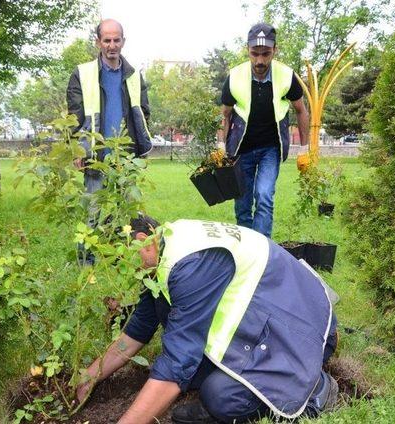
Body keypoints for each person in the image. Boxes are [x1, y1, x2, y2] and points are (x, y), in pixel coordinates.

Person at [76, 216, 339, 423]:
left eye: (121, 261)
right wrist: (90, 376)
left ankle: (316, 387)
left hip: (298, 330)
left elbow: (178, 362)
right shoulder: (166, 251)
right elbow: (138, 329)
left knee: (221, 397)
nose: (124, 271)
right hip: (269, 314)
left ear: (144, 241)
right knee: (187, 367)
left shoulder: (190, 265)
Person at [221, 23, 310, 238]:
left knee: (264, 196)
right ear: (247, 50)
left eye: (266, 54)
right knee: (243, 205)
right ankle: (246, 251)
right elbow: (225, 114)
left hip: (270, 149)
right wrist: (221, 147)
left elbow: (301, 109)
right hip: (241, 151)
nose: (260, 61)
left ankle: (262, 252)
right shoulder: (234, 76)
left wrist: (304, 147)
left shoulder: (287, 75)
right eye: (255, 54)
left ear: (275, 50)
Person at [67, 18, 152, 194]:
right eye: (107, 40)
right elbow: (74, 115)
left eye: (116, 40)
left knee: (128, 216)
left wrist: (143, 149)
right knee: (93, 215)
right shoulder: (81, 74)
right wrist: (77, 150)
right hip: (95, 156)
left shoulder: (134, 76)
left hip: (127, 158)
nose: (112, 45)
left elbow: (143, 114)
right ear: (98, 42)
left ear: (123, 41)